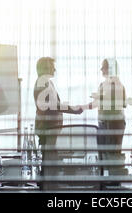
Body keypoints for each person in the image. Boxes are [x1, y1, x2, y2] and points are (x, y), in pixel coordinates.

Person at [33, 57, 83, 188]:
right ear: (44, 68)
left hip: (52, 127)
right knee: (49, 158)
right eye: (51, 66)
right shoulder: (42, 83)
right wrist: (74, 109)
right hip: (47, 127)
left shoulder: (47, 82)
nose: (54, 69)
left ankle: (50, 184)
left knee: (51, 158)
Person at [84, 58, 127, 187]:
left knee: (112, 154)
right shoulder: (103, 85)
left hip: (113, 122)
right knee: (104, 154)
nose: (101, 70)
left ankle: (114, 183)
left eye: (104, 67)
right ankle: (107, 181)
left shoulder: (117, 85)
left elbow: (122, 104)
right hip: (103, 122)